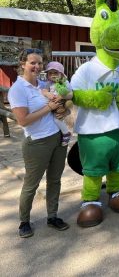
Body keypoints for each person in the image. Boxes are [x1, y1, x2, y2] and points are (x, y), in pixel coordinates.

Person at [7, 48, 69, 238]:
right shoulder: (17, 89)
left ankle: (52, 216)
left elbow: (64, 99)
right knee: (31, 184)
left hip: (57, 139)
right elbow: (23, 120)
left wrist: (62, 107)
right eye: (32, 62)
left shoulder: (44, 84)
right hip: (37, 143)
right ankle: (24, 221)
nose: (37, 66)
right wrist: (49, 107)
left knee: (55, 180)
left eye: (40, 63)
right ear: (23, 64)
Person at [41, 61, 73, 146]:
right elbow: (43, 91)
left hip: (61, 103)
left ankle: (66, 133)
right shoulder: (48, 83)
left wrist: (62, 96)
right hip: (52, 104)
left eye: (55, 72)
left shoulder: (64, 82)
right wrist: (47, 94)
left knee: (57, 119)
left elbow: (70, 94)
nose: (53, 75)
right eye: (50, 73)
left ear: (61, 74)